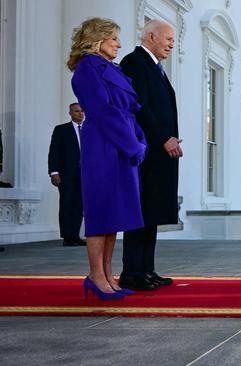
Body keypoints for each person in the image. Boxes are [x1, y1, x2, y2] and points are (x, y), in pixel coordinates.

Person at [67, 17, 147, 300]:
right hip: (103, 144)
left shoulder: (109, 68)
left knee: (115, 214)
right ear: (97, 38)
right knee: (101, 212)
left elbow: (129, 110)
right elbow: (102, 111)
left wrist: (139, 141)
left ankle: (107, 274)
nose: (119, 44)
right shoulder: (88, 68)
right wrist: (132, 144)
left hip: (121, 142)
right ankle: (95, 276)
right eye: (114, 38)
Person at [119, 19, 181, 291]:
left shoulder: (156, 68)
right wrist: (162, 138)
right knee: (141, 211)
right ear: (151, 36)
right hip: (147, 152)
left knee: (152, 212)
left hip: (159, 153)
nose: (171, 44)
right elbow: (139, 107)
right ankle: (132, 272)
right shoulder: (134, 62)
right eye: (168, 38)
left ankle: (147, 269)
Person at [47, 103, 86, 247]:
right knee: (66, 204)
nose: (80, 114)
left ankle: (75, 235)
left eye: (82, 111)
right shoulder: (61, 130)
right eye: (77, 111)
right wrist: (54, 172)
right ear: (70, 113)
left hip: (86, 175)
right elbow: (54, 152)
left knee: (80, 205)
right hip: (66, 174)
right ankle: (67, 236)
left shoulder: (90, 130)